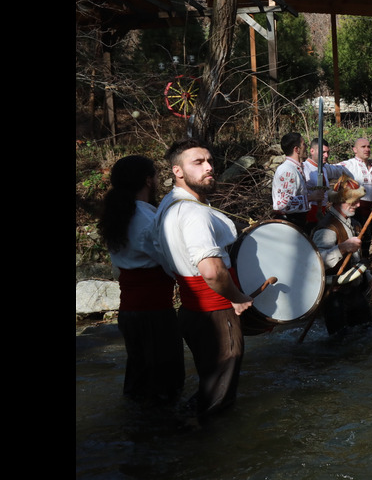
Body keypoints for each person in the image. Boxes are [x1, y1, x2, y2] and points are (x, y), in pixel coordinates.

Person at [155, 139, 253, 422]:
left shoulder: (168, 203)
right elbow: (210, 270)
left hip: (192, 310)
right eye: (198, 162)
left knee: (210, 382)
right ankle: (205, 450)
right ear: (178, 171)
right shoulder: (195, 214)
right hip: (216, 310)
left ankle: (185, 430)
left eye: (210, 161)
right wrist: (237, 297)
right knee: (219, 397)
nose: (209, 167)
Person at [97, 155, 183, 404]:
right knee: (165, 383)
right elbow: (171, 265)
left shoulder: (118, 215)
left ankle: (138, 435)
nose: (157, 180)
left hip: (131, 311)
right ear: (148, 180)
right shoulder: (147, 219)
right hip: (154, 312)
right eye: (155, 175)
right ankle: (159, 436)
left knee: (139, 378)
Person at [311, 175, 372, 335]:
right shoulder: (327, 228)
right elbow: (316, 264)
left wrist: (370, 281)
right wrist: (342, 248)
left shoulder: (354, 223)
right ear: (339, 201)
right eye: (353, 201)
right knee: (339, 344)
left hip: (354, 292)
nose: (358, 205)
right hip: (334, 296)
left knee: (368, 333)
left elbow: (356, 260)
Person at [272, 132, 324, 232]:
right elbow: (283, 203)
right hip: (288, 224)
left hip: (296, 222)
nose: (306, 147)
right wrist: (311, 197)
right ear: (296, 149)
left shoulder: (295, 168)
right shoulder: (288, 170)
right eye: (303, 144)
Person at [338, 138, 372, 259]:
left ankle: (365, 273)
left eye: (368, 146)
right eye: (363, 147)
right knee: (353, 243)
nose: (367, 149)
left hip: (369, 213)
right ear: (355, 149)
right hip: (353, 212)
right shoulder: (348, 165)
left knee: (366, 244)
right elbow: (329, 170)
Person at [302, 137, 354, 226]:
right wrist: (310, 197)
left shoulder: (324, 168)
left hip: (321, 214)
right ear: (312, 151)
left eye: (327, 152)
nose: (326, 155)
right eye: (323, 152)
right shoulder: (303, 168)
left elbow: (340, 169)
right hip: (307, 215)